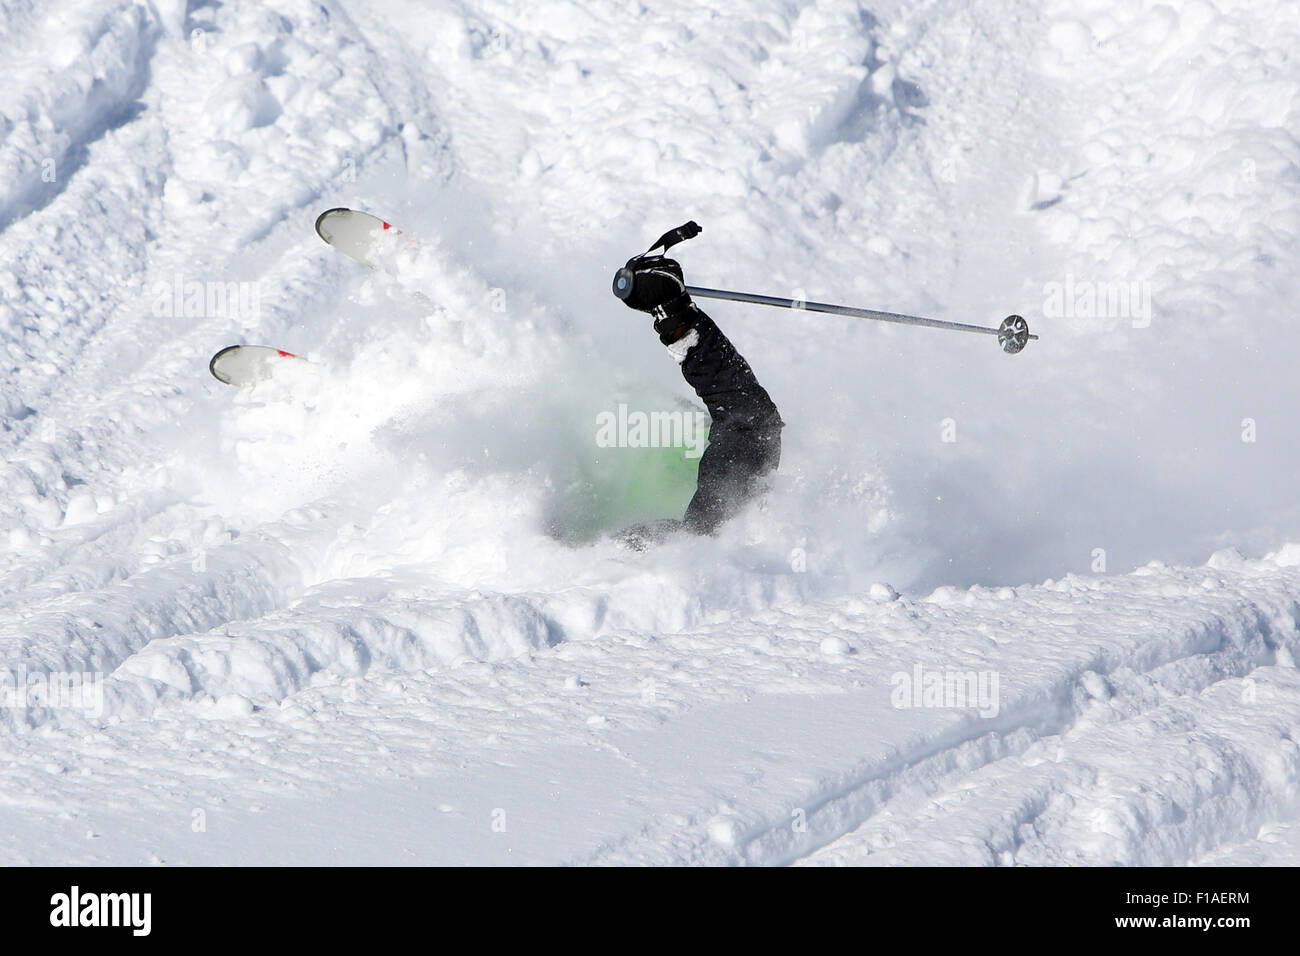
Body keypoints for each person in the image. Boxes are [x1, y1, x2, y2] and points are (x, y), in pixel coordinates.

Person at [615, 242, 783, 546]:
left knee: (701, 532)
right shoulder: (709, 540)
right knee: (704, 532)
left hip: (743, 433)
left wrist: (671, 312)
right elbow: (743, 409)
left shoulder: (702, 538)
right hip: (744, 432)